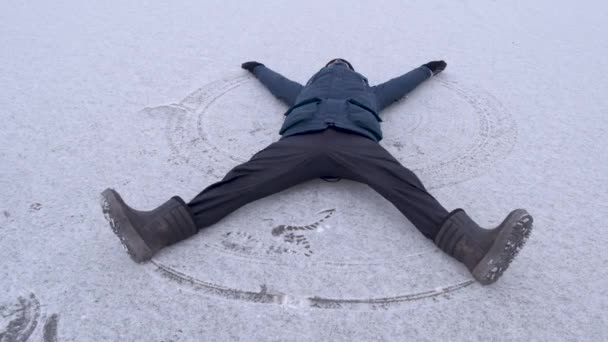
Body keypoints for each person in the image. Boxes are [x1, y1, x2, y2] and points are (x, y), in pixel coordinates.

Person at [101, 58, 533, 285]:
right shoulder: (303, 91)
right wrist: (258, 69)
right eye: (332, 66)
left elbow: (400, 85)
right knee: (239, 182)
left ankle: (474, 248)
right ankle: (155, 230)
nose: (337, 69)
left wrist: (427, 70)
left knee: (406, 187)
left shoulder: (370, 92)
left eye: (341, 66)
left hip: (357, 144)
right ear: (321, 73)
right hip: (298, 145)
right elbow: (278, 84)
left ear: (355, 75)